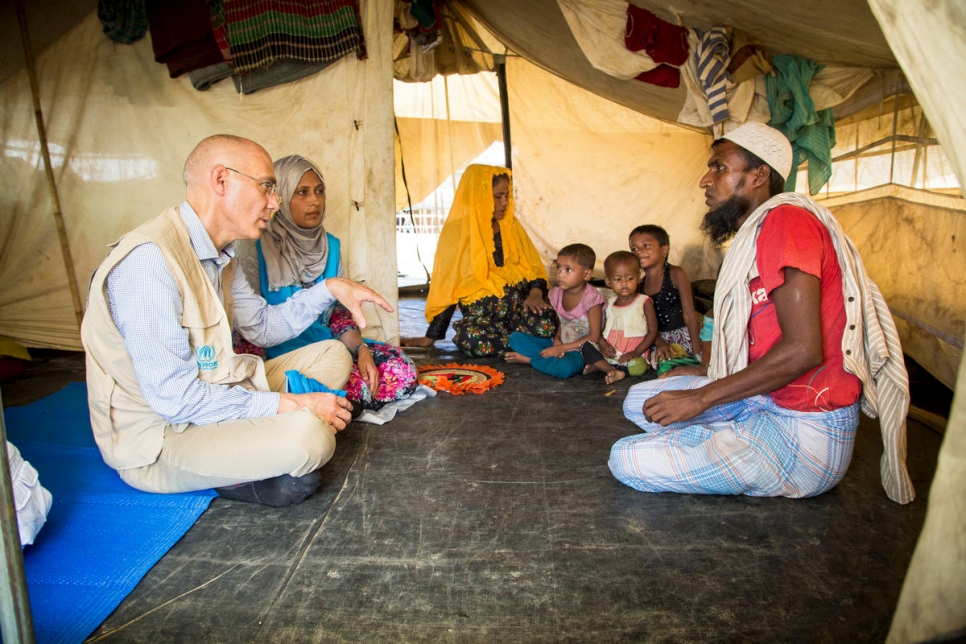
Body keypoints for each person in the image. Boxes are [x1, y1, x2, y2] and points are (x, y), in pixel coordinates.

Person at [81, 134, 394, 508]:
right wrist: (294, 406)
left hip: (217, 394)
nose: (275, 203)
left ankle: (255, 449)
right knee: (311, 438)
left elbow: (264, 327)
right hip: (161, 437)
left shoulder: (220, 255)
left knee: (332, 355)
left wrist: (328, 288)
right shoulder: (150, 263)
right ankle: (252, 462)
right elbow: (174, 401)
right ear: (220, 180)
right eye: (266, 187)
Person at [609, 121, 915, 504]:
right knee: (638, 401)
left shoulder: (786, 222)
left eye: (719, 167)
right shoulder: (761, 229)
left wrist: (701, 400)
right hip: (765, 400)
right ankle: (724, 439)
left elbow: (804, 350)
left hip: (804, 435)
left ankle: (730, 441)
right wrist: (705, 374)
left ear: (759, 175)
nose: (705, 179)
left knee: (626, 458)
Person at [239, 154, 417, 411]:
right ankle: (312, 399)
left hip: (330, 353)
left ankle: (319, 400)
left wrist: (361, 350)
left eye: (319, 191)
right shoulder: (255, 245)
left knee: (399, 371)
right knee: (342, 378)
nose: (314, 201)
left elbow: (339, 318)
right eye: (302, 192)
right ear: (279, 197)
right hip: (277, 359)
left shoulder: (331, 246)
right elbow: (246, 329)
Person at [401, 164, 558, 356]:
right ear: (479, 195)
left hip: (519, 315)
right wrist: (431, 337)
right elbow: (448, 285)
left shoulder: (511, 226)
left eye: (506, 196)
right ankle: (527, 347)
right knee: (470, 337)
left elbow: (533, 268)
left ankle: (518, 346)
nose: (505, 202)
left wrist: (535, 293)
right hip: (484, 322)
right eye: (497, 196)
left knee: (547, 322)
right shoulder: (456, 232)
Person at [505, 243, 605, 378]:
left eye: (568, 270)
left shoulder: (592, 300)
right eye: (559, 268)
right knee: (515, 338)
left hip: (581, 351)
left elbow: (594, 337)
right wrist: (557, 341)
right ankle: (546, 359)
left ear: (586, 274)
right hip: (560, 343)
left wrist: (561, 349)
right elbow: (563, 322)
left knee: (565, 368)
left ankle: (529, 360)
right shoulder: (557, 293)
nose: (560, 274)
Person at [581, 251, 659, 384]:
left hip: (633, 357)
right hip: (610, 354)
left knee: (640, 366)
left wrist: (635, 352)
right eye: (618, 279)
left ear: (638, 278)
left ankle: (608, 369)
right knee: (585, 346)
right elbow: (598, 330)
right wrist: (603, 344)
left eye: (630, 278)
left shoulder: (644, 302)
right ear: (608, 281)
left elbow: (653, 331)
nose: (624, 283)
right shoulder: (608, 303)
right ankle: (609, 368)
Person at [629, 224, 702, 362]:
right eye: (634, 248)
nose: (639, 251)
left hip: (686, 336)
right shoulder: (639, 285)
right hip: (657, 340)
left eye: (646, 245)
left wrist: (698, 351)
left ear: (665, 250)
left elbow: (690, 315)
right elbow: (643, 323)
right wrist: (659, 342)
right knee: (639, 363)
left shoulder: (676, 274)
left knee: (672, 361)